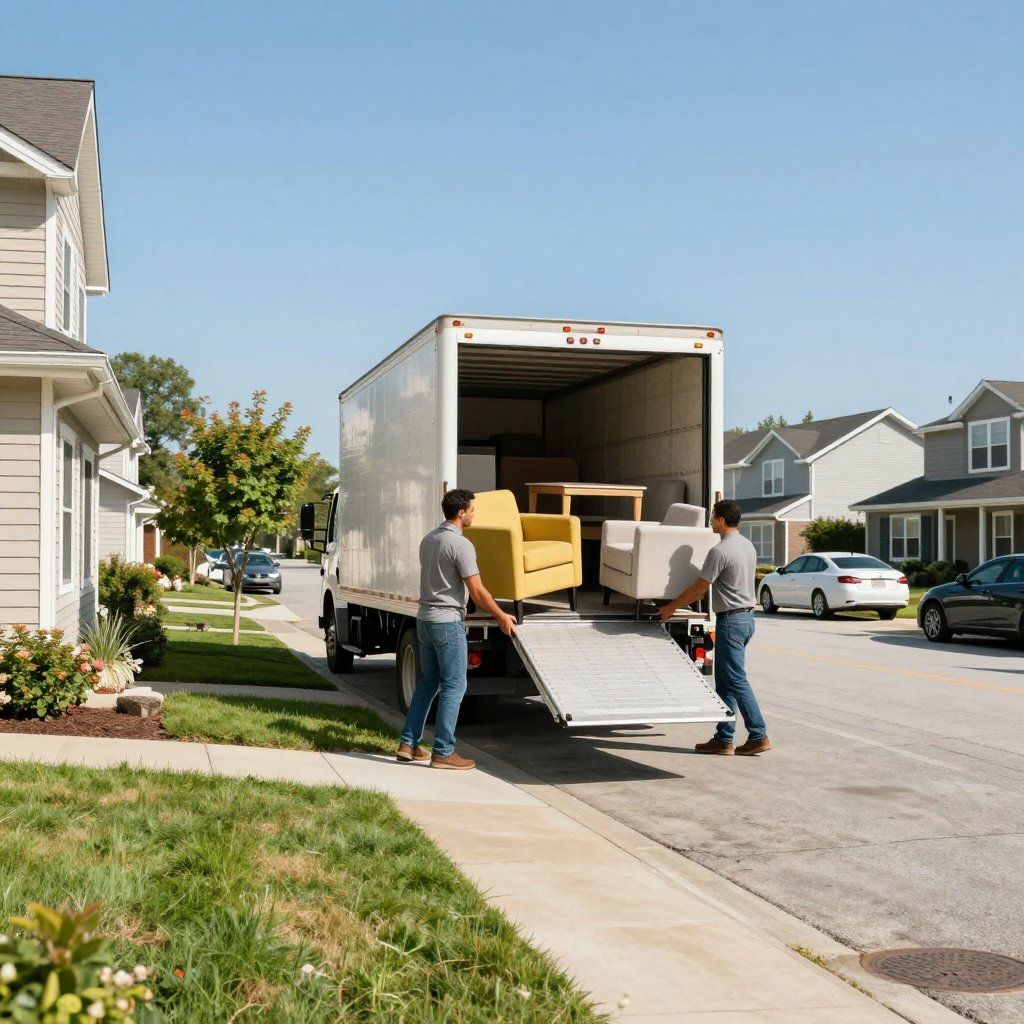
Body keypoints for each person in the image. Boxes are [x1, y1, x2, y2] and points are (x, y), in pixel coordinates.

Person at [397, 488, 517, 770]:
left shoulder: (429, 540)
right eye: (473, 509)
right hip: (447, 622)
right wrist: (501, 616)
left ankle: (408, 744)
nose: (475, 514)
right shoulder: (461, 545)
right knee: (455, 685)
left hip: (424, 620)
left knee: (427, 684)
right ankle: (443, 752)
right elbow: (476, 591)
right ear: (461, 512)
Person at [659, 498, 770, 756]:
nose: (710, 520)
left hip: (731, 621)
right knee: (725, 681)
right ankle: (724, 738)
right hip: (746, 619)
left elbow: (699, 588)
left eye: (713, 516)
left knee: (736, 679)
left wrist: (670, 607)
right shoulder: (747, 546)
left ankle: (758, 734)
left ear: (721, 519)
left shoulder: (719, 551)